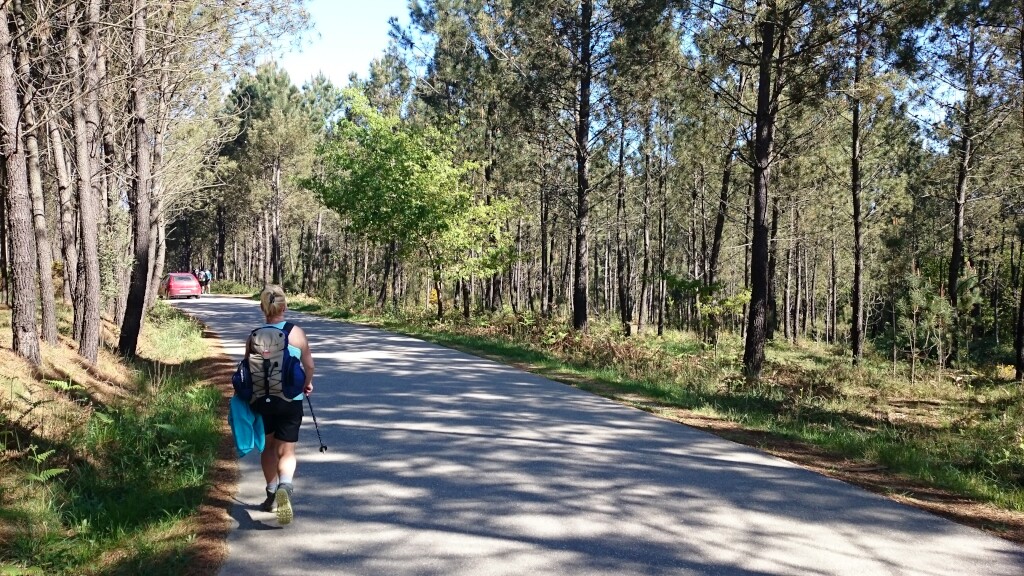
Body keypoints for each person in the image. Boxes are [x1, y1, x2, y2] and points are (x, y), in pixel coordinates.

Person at [246, 285, 315, 524]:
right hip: (290, 401)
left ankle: (271, 491)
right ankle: (286, 485)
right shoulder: (296, 333)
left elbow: (247, 370)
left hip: (263, 403)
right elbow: (310, 366)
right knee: (286, 450)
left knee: (268, 448)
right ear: (284, 307)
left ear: (262, 308)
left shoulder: (254, 335)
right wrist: (306, 384)